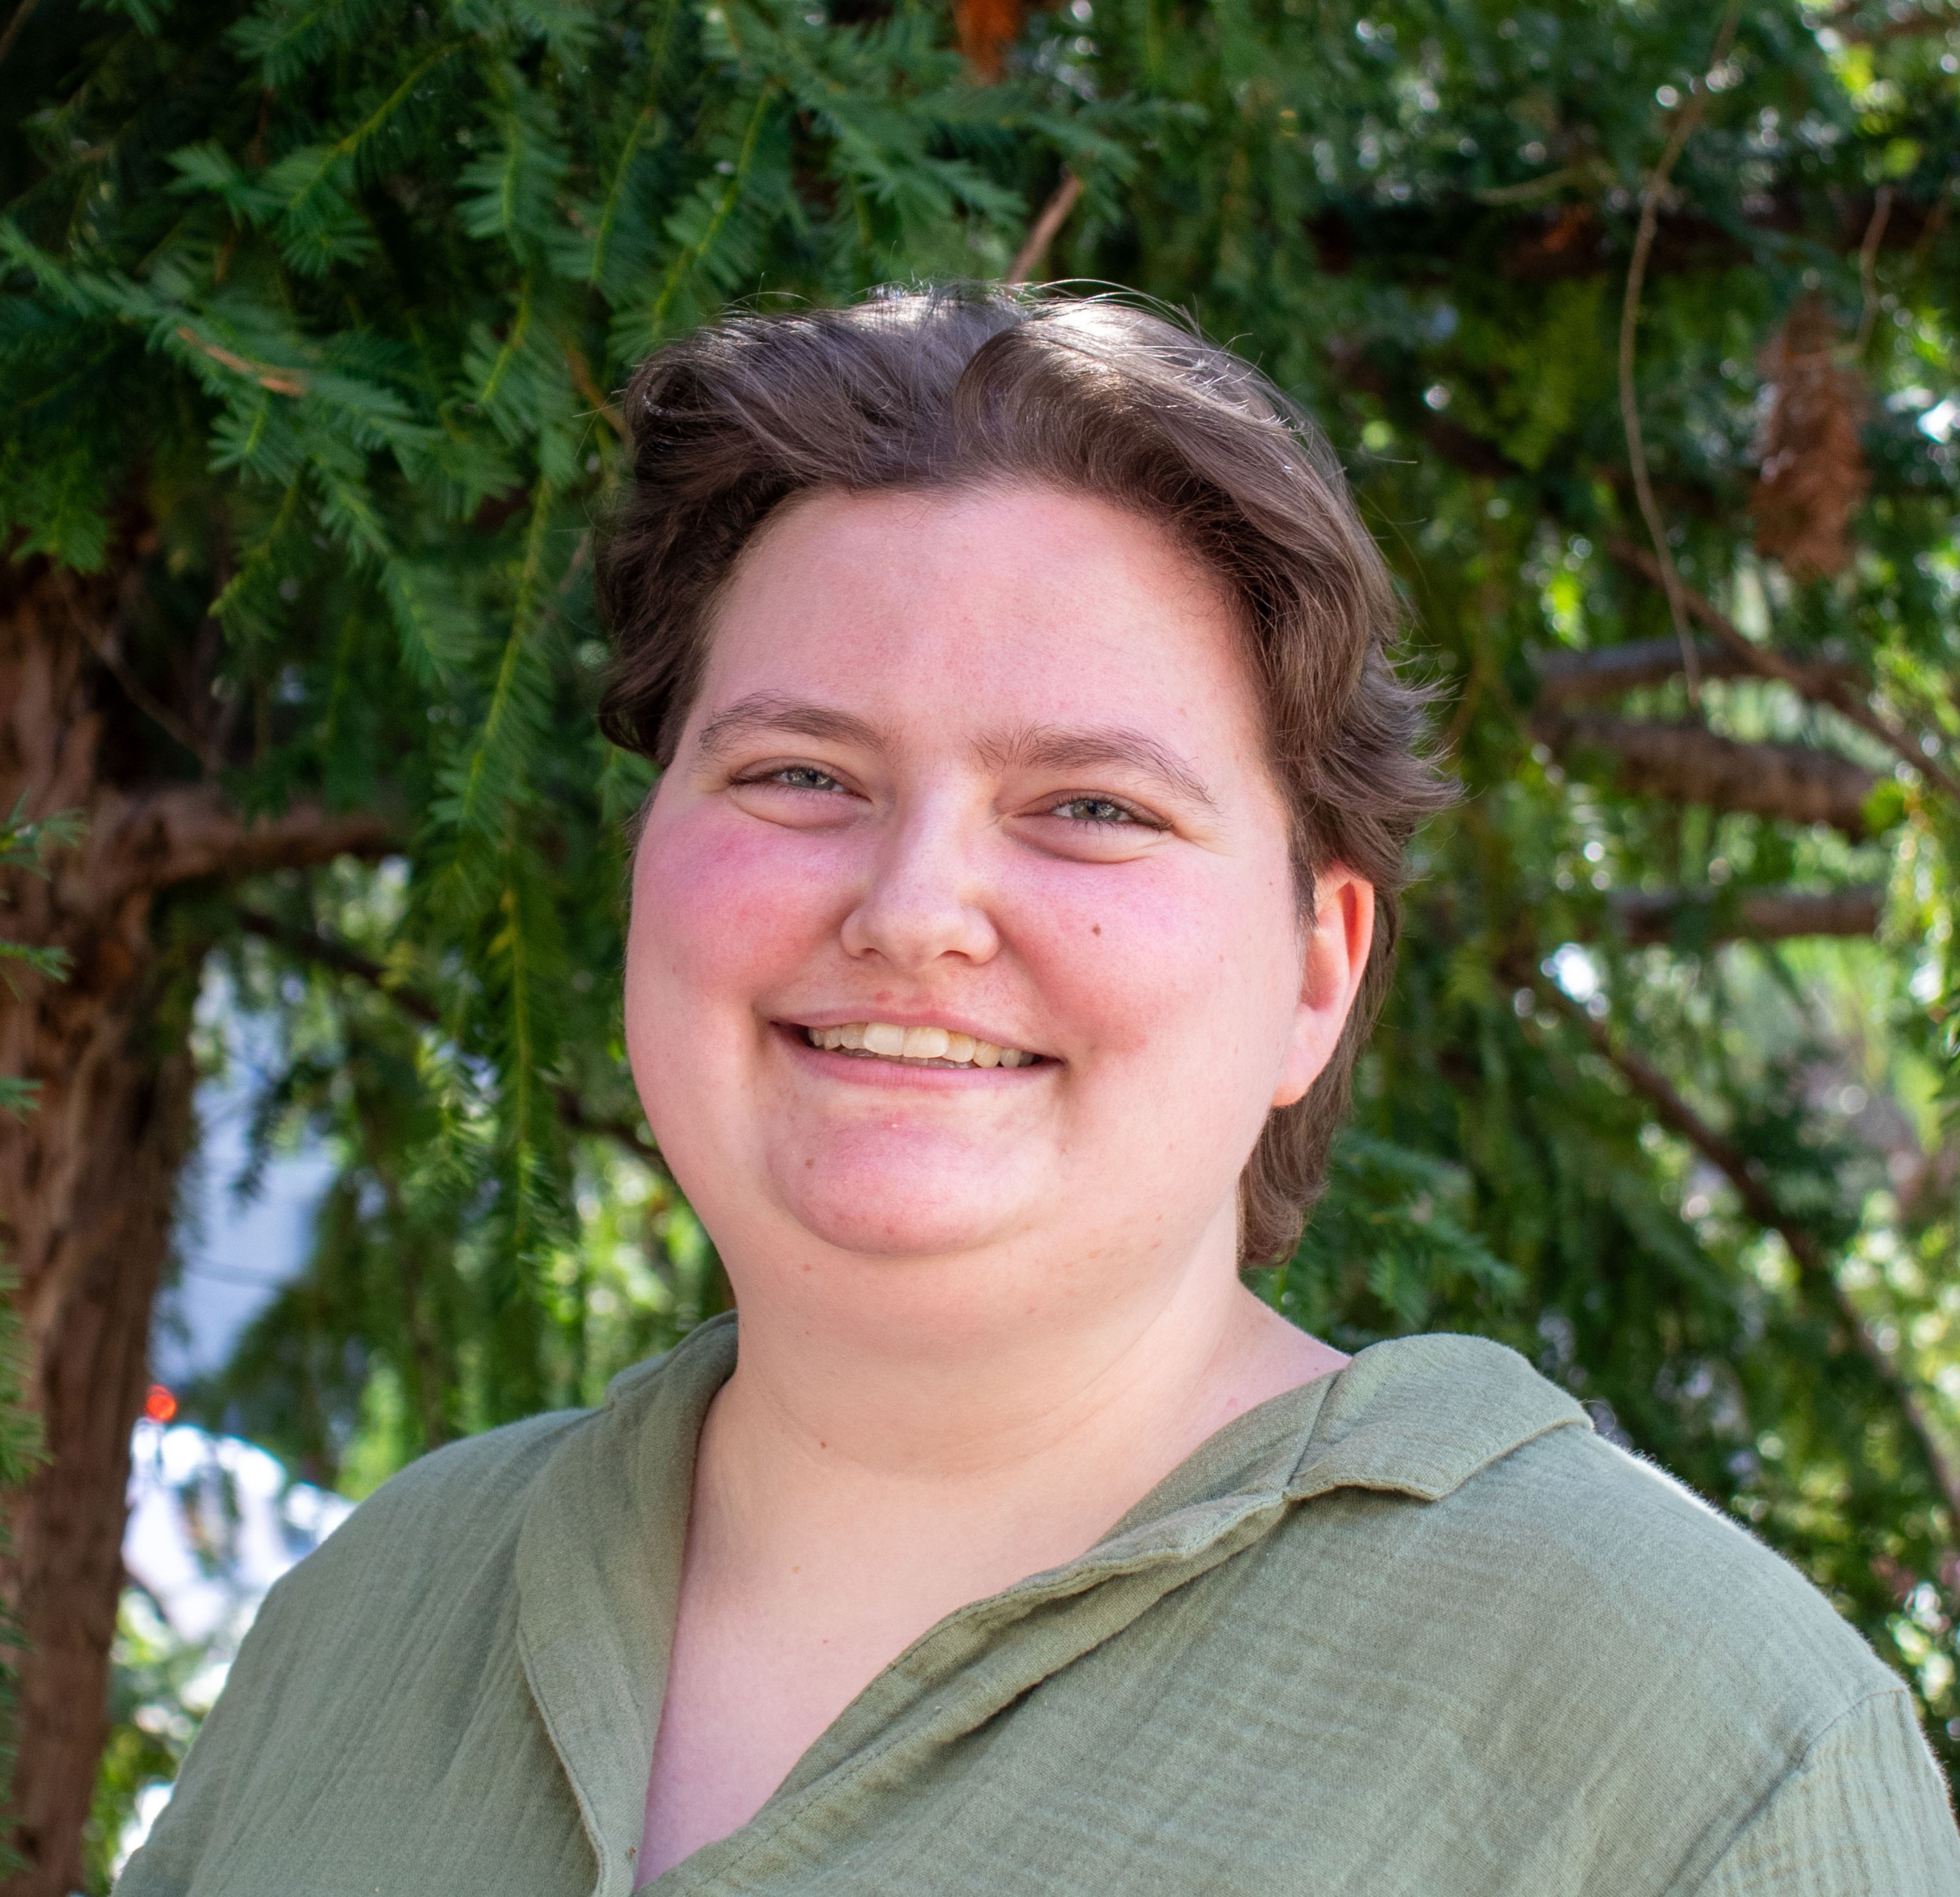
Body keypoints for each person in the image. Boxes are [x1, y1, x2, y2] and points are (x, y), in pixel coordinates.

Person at [119, 286, 1959, 1897]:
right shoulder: (383, 1611)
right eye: (797, 776)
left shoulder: (1694, 1754)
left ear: (1317, 969)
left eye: (1093, 807)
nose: (914, 911)